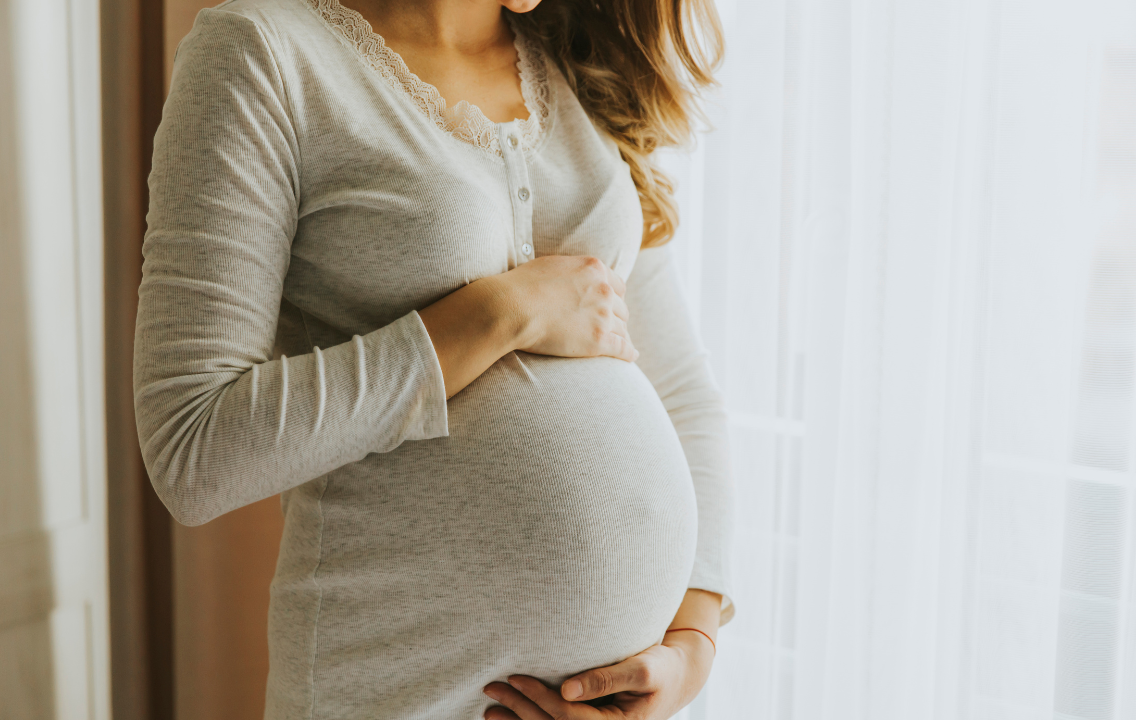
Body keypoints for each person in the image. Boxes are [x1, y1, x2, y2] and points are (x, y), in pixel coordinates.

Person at [133, 0, 735, 715]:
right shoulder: (264, 54)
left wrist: (690, 649)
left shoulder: (576, 61)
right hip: (393, 691)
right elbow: (192, 451)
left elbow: (684, 394)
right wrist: (496, 317)